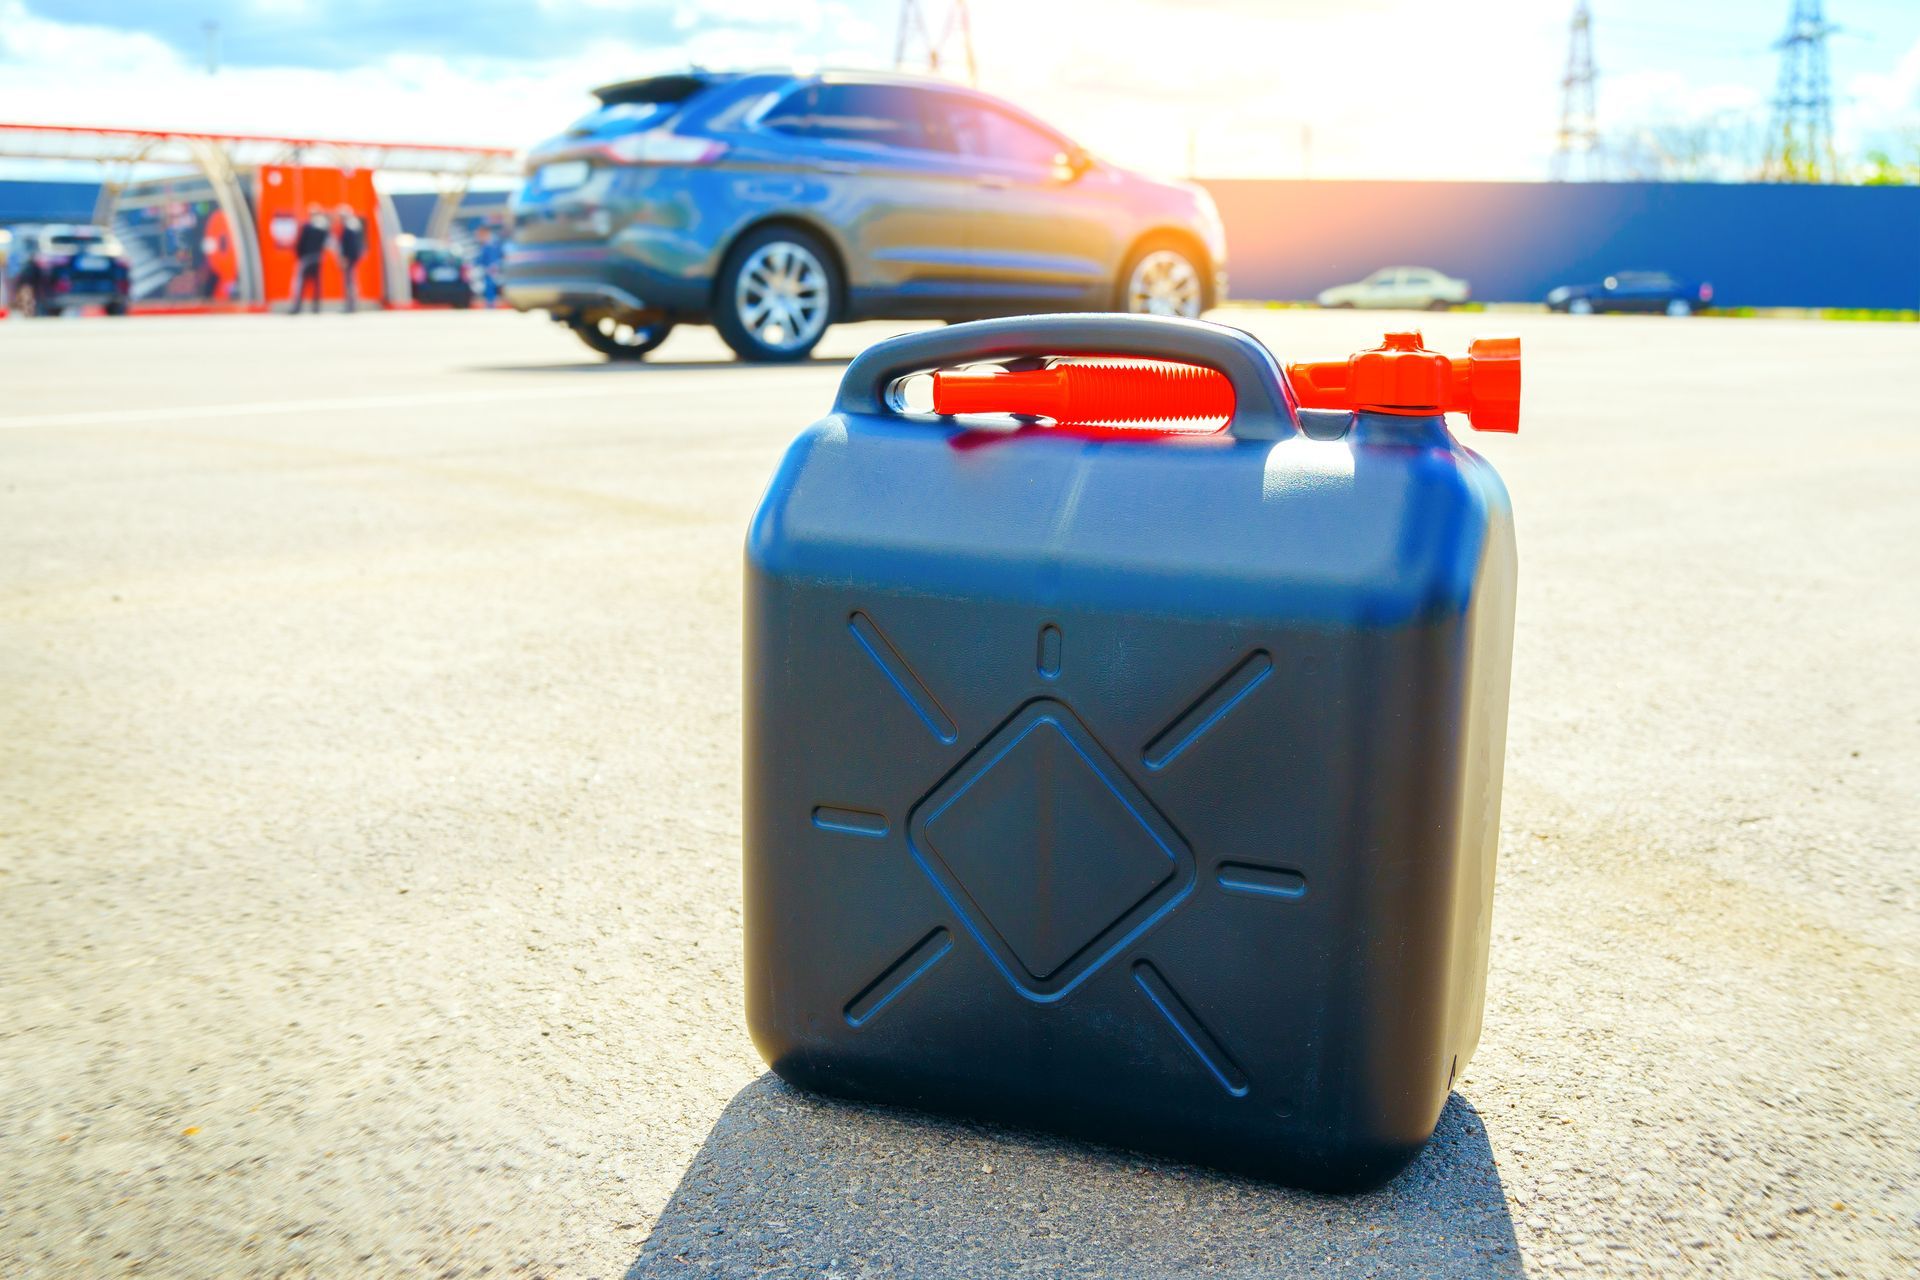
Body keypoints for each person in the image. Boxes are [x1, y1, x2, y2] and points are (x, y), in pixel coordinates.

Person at [289, 204, 329, 313]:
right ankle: (316, 308)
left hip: (306, 258)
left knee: (301, 283)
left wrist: (299, 255)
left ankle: (297, 307)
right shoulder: (323, 228)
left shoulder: (307, 227)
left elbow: (301, 243)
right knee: (317, 284)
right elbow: (325, 244)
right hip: (318, 258)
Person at [334, 203, 367, 312]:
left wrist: (345, 258)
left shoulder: (349, 227)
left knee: (350, 282)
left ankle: (351, 306)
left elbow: (349, 245)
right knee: (352, 281)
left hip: (349, 259)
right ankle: (352, 305)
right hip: (353, 258)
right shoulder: (355, 225)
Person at [472, 223, 503, 308]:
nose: (478, 236)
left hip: (492, 269)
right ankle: (490, 303)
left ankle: (491, 303)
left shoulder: (492, 244)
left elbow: (496, 257)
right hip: (487, 269)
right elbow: (481, 258)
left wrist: (494, 266)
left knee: (490, 285)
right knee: (488, 285)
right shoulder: (485, 244)